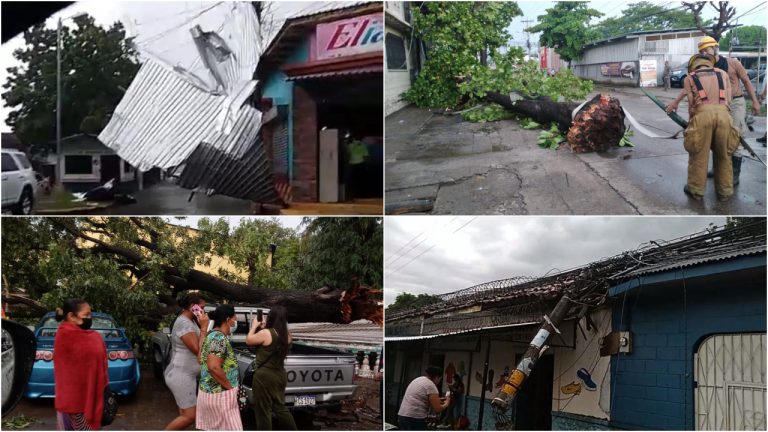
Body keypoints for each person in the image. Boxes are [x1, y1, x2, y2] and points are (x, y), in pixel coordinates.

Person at [667, 36, 761, 185]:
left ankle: (734, 173)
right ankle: (717, 168)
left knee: (735, 136)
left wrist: (755, 102)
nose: (705, 52)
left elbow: (747, 81)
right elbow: (692, 86)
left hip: (735, 102)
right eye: (702, 51)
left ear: (715, 48)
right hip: (717, 105)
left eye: (708, 49)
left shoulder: (732, 63)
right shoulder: (704, 68)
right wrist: (675, 102)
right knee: (715, 136)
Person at [681, 53, 740, 201]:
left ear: (693, 65)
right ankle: (725, 192)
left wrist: (691, 124)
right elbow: (729, 98)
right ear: (709, 63)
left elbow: (691, 104)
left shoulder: (690, 78)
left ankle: (696, 191)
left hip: (702, 115)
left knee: (698, 155)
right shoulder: (723, 74)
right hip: (724, 115)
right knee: (724, 156)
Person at [53, 299, 109, 430]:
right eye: (87, 315)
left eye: (90, 314)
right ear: (71, 316)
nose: (90, 318)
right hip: (78, 405)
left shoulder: (61, 334)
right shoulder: (74, 337)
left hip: (67, 400)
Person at [246, 306, 297, 430]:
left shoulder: (266, 333)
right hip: (280, 374)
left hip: (264, 376)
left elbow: (249, 340)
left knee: (263, 410)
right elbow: (273, 340)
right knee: (280, 407)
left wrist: (254, 326)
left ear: (271, 317)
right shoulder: (288, 335)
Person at [163, 294, 209, 430]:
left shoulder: (190, 321)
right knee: (190, 416)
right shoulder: (184, 323)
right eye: (201, 308)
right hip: (181, 376)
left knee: (184, 413)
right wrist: (204, 328)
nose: (203, 311)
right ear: (192, 307)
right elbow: (197, 349)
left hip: (185, 375)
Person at [196, 304, 243, 430]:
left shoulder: (211, 335)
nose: (236, 320)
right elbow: (214, 367)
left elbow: (200, 358)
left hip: (208, 394)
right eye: (235, 317)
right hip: (220, 395)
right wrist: (231, 389)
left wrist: (203, 330)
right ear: (228, 320)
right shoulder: (219, 338)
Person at [397, 366, 452, 430]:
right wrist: (447, 403)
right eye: (440, 379)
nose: (439, 381)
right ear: (437, 377)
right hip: (415, 418)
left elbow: (420, 398)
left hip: (402, 415)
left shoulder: (419, 379)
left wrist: (438, 400)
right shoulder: (431, 386)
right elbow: (438, 409)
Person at [345, 133, 369, 200]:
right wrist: (367, 165)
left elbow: (347, 155)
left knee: (352, 181)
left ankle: (352, 196)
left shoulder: (349, 146)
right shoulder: (363, 145)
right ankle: (361, 195)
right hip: (361, 164)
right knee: (361, 181)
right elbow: (366, 156)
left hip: (352, 165)